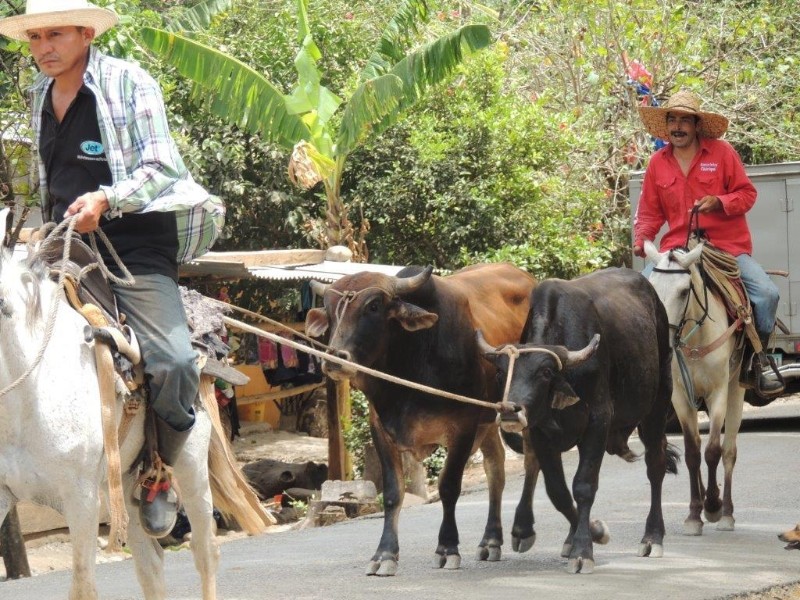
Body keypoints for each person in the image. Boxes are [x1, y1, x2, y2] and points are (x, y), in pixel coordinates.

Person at [0, 0, 225, 537]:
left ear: (84, 33)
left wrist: (107, 197)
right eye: (34, 39)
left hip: (137, 240)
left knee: (171, 361)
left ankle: (159, 471)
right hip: (65, 242)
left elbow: (161, 168)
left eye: (55, 35)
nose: (43, 48)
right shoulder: (38, 94)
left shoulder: (128, 82)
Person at [633, 89, 783, 400]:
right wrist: (641, 241)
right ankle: (650, 376)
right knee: (636, 303)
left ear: (696, 125)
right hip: (677, 248)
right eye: (672, 120)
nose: (677, 127)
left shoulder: (722, 153)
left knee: (768, 295)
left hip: (726, 247)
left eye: (684, 121)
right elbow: (649, 212)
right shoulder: (657, 164)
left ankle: (755, 363)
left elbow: (747, 195)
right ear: (666, 125)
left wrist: (721, 202)